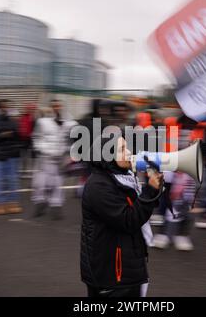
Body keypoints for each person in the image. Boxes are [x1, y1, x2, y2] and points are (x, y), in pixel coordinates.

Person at [81, 136, 163, 297]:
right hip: (112, 275)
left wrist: (153, 188)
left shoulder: (124, 178)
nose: (129, 152)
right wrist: (150, 190)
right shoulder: (99, 186)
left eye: (127, 147)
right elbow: (129, 220)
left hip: (125, 265)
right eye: (121, 149)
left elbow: (141, 208)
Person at [31, 100, 77, 219]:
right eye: (55, 106)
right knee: (41, 183)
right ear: (50, 108)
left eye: (59, 105)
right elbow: (36, 137)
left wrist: (69, 151)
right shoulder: (42, 122)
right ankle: (40, 204)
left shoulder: (68, 123)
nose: (57, 108)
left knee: (57, 183)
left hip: (60, 158)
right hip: (45, 158)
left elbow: (72, 138)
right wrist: (42, 149)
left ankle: (56, 206)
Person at [0, 100, 22, 215]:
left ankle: (13, 202)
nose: (5, 109)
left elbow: (18, 136)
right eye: (2, 107)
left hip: (11, 154)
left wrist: (16, 141)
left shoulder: (13, 121)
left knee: (12, 180)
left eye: (6, 107)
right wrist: (0, 136)